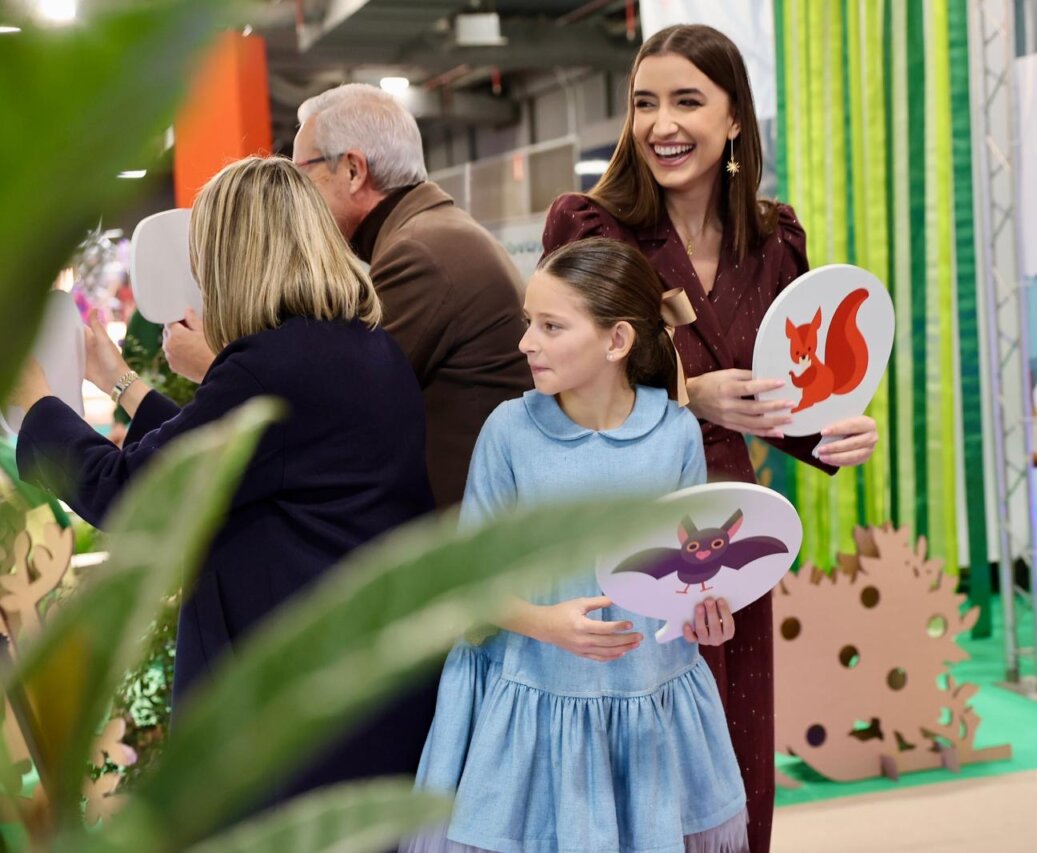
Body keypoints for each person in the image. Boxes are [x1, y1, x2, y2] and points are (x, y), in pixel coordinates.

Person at [541, 24, 880, 852]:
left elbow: (785, 398)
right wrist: (692, 397)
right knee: (633, 767)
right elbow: (558, 384)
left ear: (734, 119)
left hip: (732, 538)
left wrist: (831, 433)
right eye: (644, 103)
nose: (662, 124)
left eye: (687, 101)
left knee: (731, 758)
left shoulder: (772, 241)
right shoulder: (591, 230)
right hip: (622, 526)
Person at [11, 156, 437, 805]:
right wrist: (120, 382)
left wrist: (37, 402)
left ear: (233, 256)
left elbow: (135, 494)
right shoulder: (361, 346)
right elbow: (234, 457)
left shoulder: (268, 367)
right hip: (362, 690)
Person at [404, 237, 747, 853]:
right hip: (535, 706)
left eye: (550, 326)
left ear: (617, 341)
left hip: (650, 716)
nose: (525, 343)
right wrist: (544, 624)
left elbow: (689, 580)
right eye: (528, 322)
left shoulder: (676, 434)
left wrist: (707, 619)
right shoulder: (508, 433)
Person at [163, 83, 531, 508]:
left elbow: (328, 407)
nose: (295, 197)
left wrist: (212, 363)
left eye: (301, 174)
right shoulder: (430, 234)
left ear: (354, 170)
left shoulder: (420, 254)